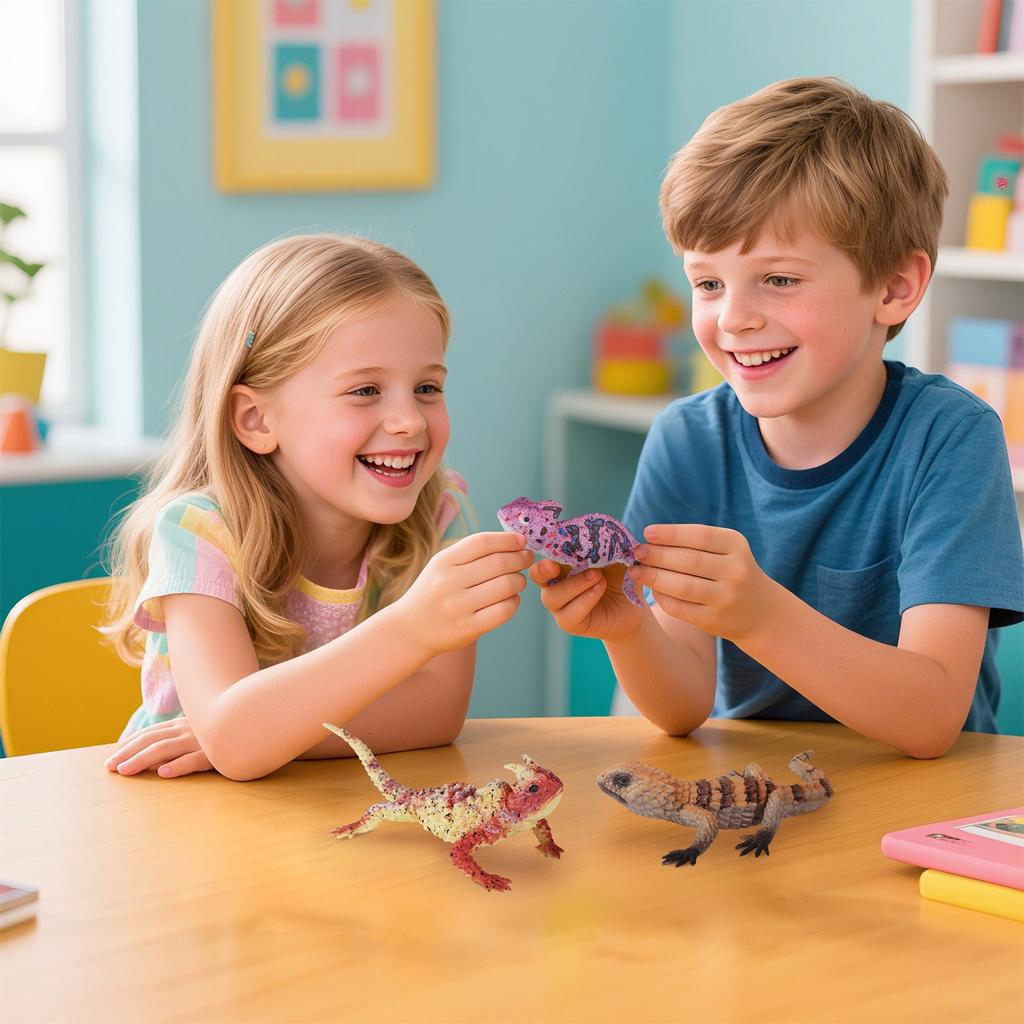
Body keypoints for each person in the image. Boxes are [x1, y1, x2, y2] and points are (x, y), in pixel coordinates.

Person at [531, 77, 1024, 758]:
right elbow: (681, 707)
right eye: (708, 283)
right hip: (755, 802)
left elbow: (932, 715)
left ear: (894, 287)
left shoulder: (950, 437)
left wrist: (759, 615)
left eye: (780, 279)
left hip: (926, 806)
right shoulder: (687, 441)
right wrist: (627, 630)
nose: (734, 318)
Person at [102, 234, 532, 781]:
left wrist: (266, 734)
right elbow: (235, 742)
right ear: (258, 420)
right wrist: (412, 628)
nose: (412, 421)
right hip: (185, 822)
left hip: (335, 812)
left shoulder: (442, 513)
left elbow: (439, 714)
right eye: (365, 391)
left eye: (427, 387)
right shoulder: (199, 532)